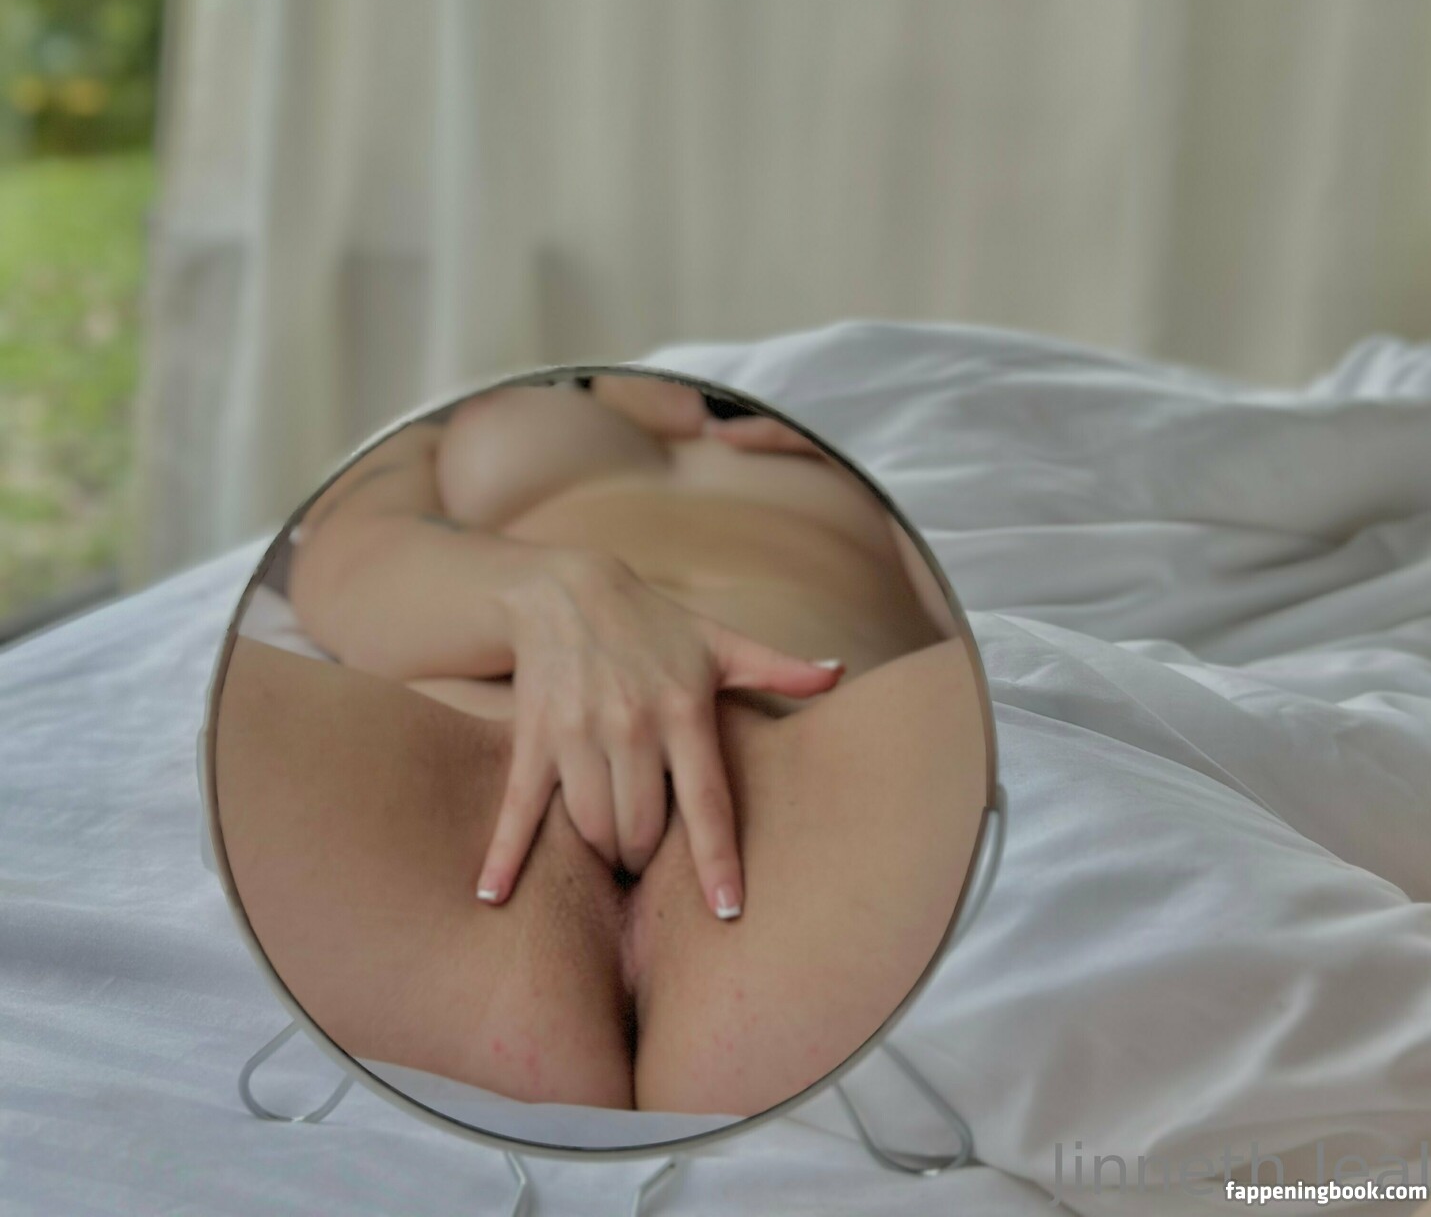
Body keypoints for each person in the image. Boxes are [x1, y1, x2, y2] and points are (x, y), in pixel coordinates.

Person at [214, 374, 990, 1115]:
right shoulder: (460, 421)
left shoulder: (860, 453)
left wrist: (867, 474)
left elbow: (981, 602)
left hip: (813, 795)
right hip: (457, 782)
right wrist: (560, 598)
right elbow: (348, 560)